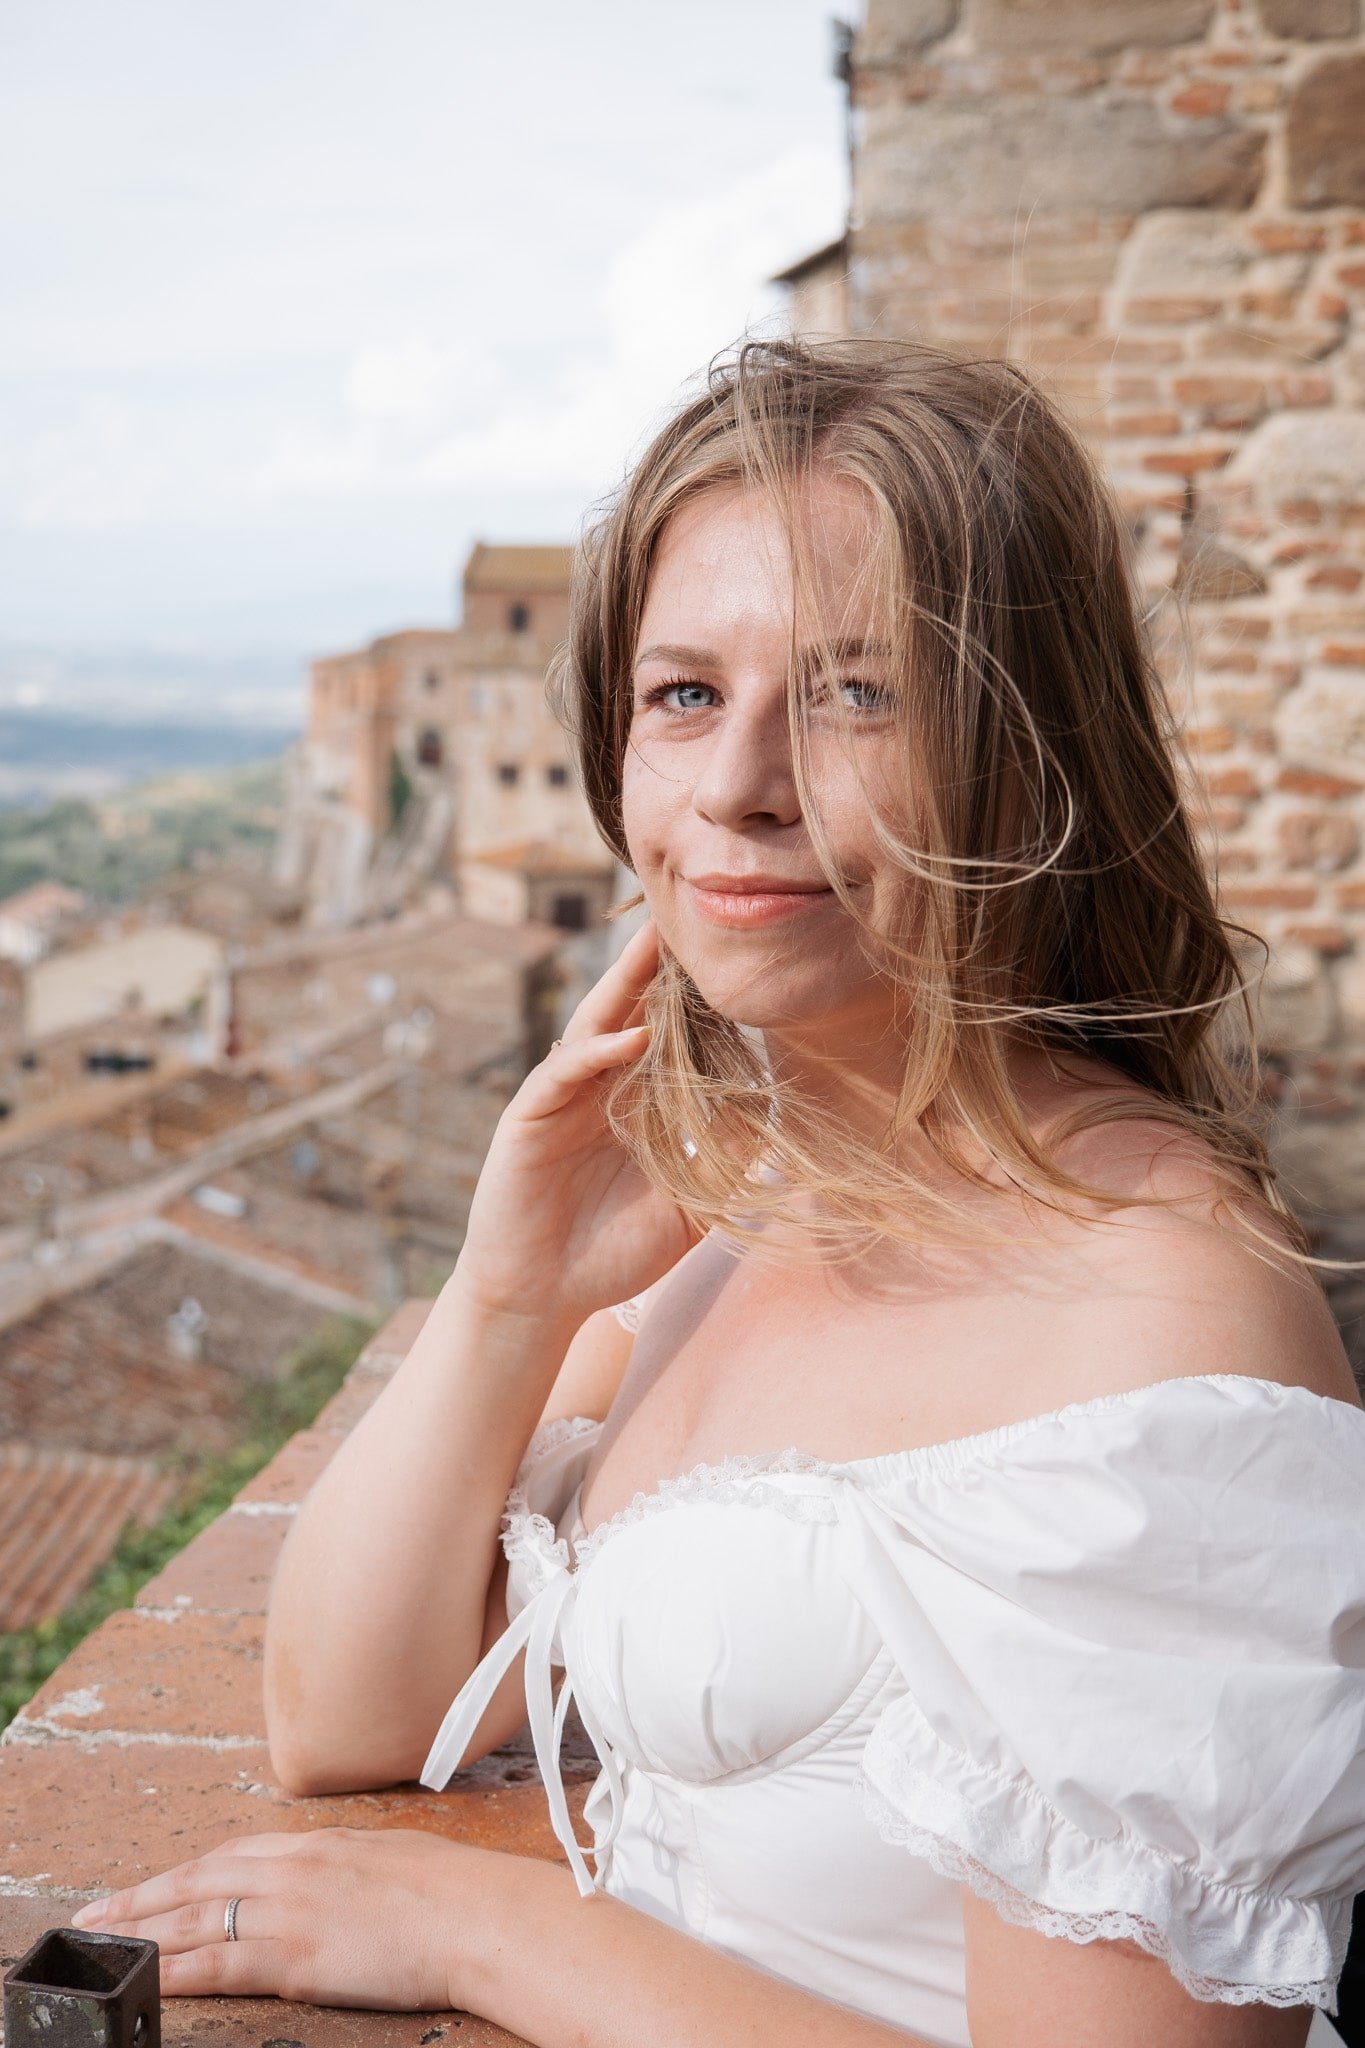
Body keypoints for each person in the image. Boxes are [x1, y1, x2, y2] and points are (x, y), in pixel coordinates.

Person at [70, 338, 1365, 2048]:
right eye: (683, 696)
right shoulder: (753, 1221)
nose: (737, 788)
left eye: (856, 693)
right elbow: (341, 1714)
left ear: (1033, 765)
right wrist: (510, 1291)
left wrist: (489, 1934)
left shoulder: (1158, 1330)